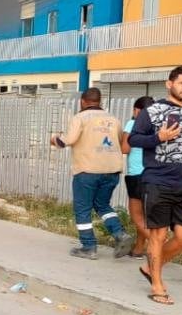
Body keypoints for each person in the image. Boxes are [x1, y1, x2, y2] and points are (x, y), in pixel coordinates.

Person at [129, 65, 182, 305]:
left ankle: (151, 267)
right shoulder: (152, 111)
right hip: (159, 181)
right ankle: (157, 286)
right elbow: (134, 139)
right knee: (158, 235)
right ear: (169, 84)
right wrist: (158, 138)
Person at [50, 87, 132, 259]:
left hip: (88, 170)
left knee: (82, 208)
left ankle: (88, 246)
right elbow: (118, 142)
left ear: (83, 101)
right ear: (99, 101)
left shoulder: (80, 117)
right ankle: (119, 233)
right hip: (112, 170)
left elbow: (68, 140)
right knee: (102, 204)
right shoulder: (113, 119)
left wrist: (55, 139)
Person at [120, 96, 155, 259]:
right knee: (146, 216)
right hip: (155, 175)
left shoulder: (132, 123)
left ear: (137, 110)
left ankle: (159, 244)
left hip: (137, 174)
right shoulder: (158, 126)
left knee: (135, 214)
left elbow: (125, 148)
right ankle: (139, 249)